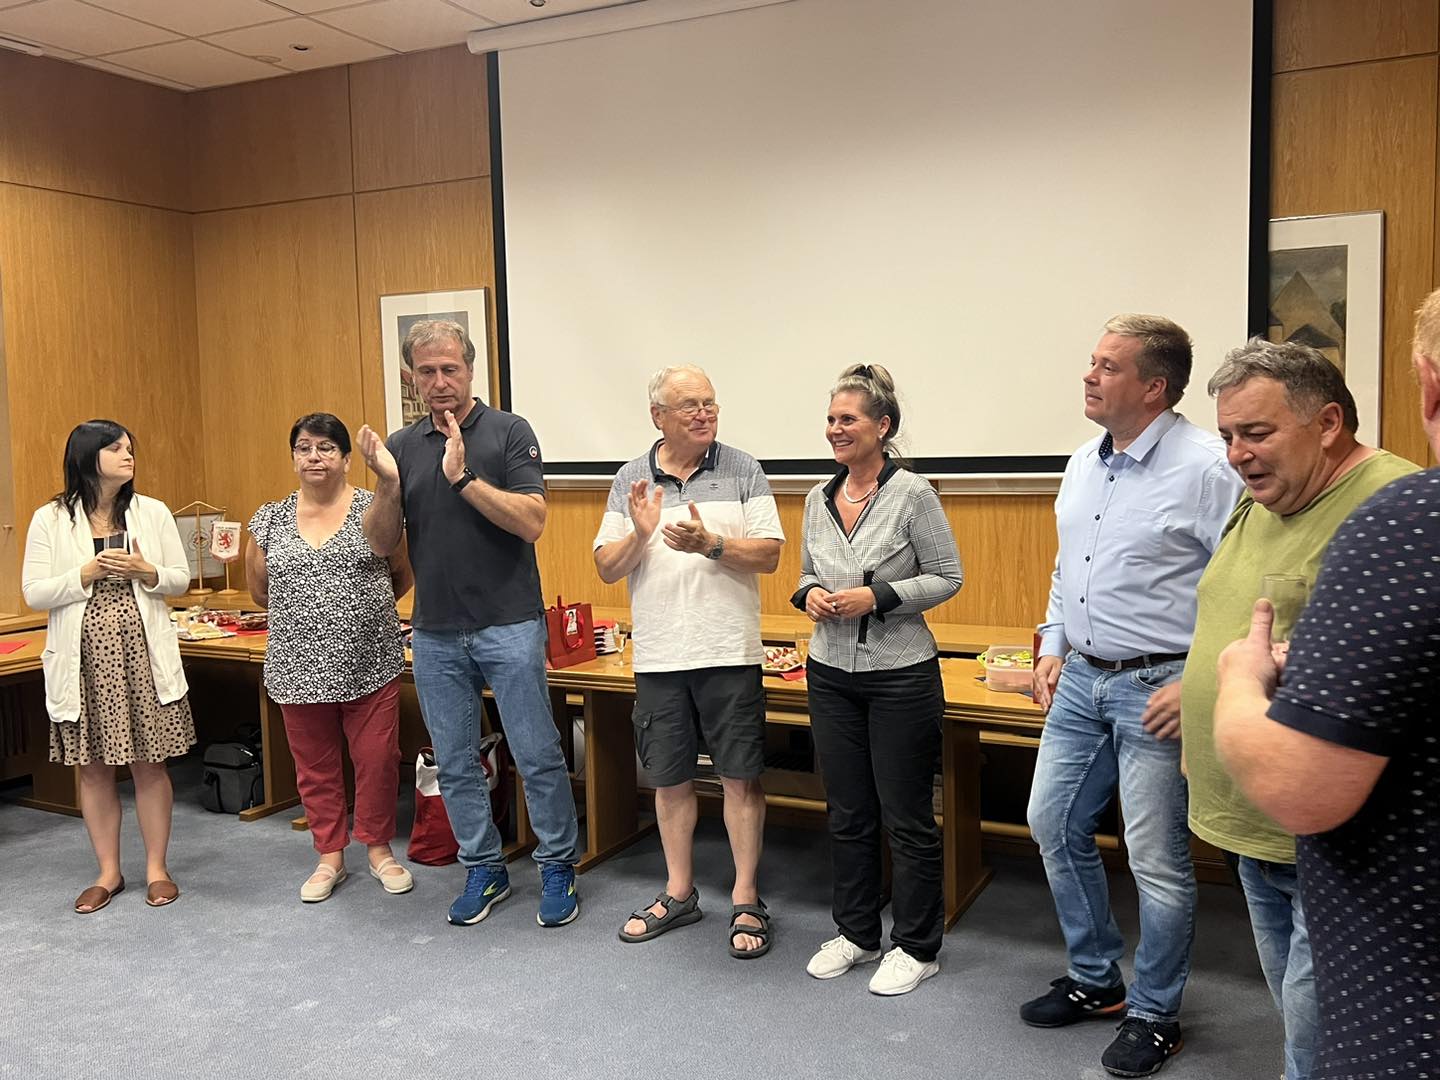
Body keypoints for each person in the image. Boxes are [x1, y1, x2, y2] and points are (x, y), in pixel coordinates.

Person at [1210, 291, 1440, 1080]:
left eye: (1256, 432)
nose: (1237, 454)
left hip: (1359, 871)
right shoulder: (1258, 503)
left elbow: (1307, 782)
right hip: (1261, 831)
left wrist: (1237, 685)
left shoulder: (1397, 512)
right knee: (1296, 1016)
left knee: (1317, 1035)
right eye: (1228, 436)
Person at [1024, 315, 1245, 1077]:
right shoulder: (1084, 461)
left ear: (1154, 387)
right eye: (1092, 362)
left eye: (1108, 366)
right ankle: (1096, 981)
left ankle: (1155, 1013)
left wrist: (1200, 677)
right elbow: (1069, 567)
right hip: (1081, 677)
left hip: (1161, 685)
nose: (1089, 376)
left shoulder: (1208, 466)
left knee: (1156, 859)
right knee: (1052, 823)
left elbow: (1238, 582)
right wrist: (1053, 644)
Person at [356, 319, 581, 928]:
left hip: (508, 623)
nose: (440, 382)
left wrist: (462, 478)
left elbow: (531, 521)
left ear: (471, 369)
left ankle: (558, 864)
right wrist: (386, 483)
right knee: (454, 761)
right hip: (434, 630)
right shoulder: (402, 446)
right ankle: (484, 867)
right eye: (426, 371)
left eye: (450, 369)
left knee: (536, 753)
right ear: (412, 378)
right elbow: (380, 544)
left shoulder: (509, 431)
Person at [593, 365, 784, 957]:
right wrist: (640, 533)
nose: (704, 414)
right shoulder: (630, 478)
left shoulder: (743, 469)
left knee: (740, 776)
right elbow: (606, 567)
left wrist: (712, 544)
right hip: (660, 655)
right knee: (669, 778)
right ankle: (679, 892)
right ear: (659, 416)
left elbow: (770, 555)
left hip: (729, 650)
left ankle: (746, 896)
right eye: (690, 405)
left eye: (710, 403)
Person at [792, 363, 962, 996]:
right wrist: (809, 594)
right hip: (829, 672)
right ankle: (857, 934)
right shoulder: (817, 497)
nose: (836, 429)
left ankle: (917, 946)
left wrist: (879, 597)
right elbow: (806, 572)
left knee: (907, 818)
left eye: (849, 419)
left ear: (882, 426)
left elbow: (947, 577)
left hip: (899, 675)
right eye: (831, 419)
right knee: (847, 812)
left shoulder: (913, 494)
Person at [21, 420, 195, 912]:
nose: (128, 455)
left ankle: (157, 869)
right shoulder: (50, 518)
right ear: (86, 456)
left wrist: (147, 571)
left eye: (129, 448)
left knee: (150, 764)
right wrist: (85, 573)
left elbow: (180, 579)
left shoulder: (152, 511)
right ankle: (108, 872)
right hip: (84, 662)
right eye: (115, 448)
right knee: (93, 769)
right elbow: (34, 593)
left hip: (142, 655)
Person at [245, 413, 415, 903]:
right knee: (314, 766)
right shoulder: (270, 518)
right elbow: (260, 590)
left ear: (345, 459)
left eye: (325, 448)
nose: (314, 457)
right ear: (293, 457)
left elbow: (401, 573)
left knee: (377, 760)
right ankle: (329, 855)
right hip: (296, 664)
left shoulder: (374, 508)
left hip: (369, 659)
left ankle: (379, 849)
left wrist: (357, 612)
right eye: (304, 448)